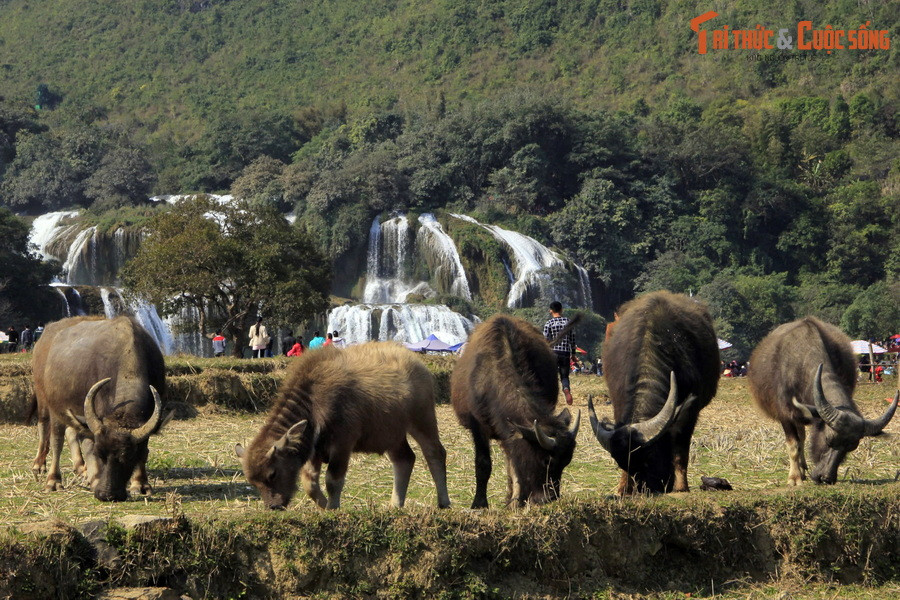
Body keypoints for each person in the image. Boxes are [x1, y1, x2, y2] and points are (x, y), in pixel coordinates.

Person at [543, 301, 575, 405]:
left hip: (553, 353)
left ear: (550, 311)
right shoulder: (568, 322)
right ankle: (566, 390)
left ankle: (550, 398)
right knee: (564, 376)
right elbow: (572, 339)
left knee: (551, 376)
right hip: (565, 353)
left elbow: (545, 340)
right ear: (561, 310)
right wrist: (573, 354)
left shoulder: (549, 323)